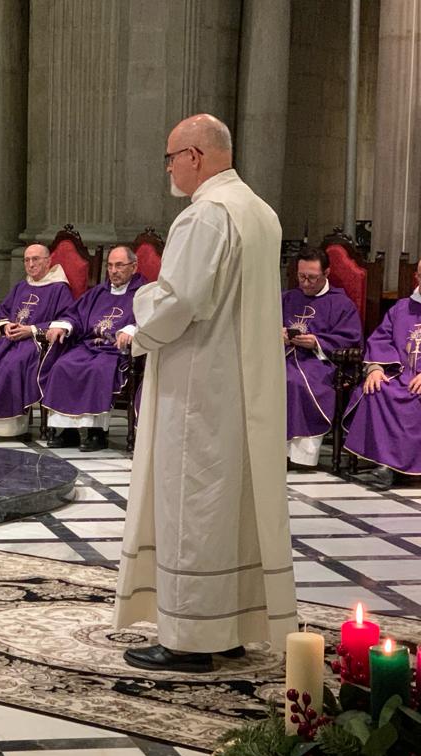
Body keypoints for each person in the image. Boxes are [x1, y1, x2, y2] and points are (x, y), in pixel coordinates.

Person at [113, 113, 297, 673]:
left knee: (192, 506)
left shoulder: (206, 215)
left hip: (198, 389)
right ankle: (230, 626)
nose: (168, 168)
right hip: (243, 389)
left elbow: (178, 301)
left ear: (195, 155)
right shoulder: (259, 212)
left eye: (171, 157)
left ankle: (190, 638)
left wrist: (135, 324)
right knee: (231, 507)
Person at [0, 243, 72, 439]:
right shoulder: (22, 286)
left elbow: (66, 319)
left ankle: (7, 427)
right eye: (26, 260)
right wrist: (5, 326)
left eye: (36, 259)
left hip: (35, 342)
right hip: (9, 339)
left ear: (48, 261)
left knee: (12, 365)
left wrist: (31, 330)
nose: (30, 264)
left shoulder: (59, 289)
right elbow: (3, 312)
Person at [40, 246, 145, 450]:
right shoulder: (98, 292)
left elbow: (149, 318)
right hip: (89, 346)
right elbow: (75, 315)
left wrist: (132, 330)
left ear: (134, 267)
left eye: (120, 266)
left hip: (115, 351)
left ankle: (97, 433)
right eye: (110, 266)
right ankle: (68, 432)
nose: (114, 271)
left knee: (98, 370)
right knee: (63, 365)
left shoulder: (143, 293)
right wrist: (65, 326)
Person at [342, 261, 421, 490]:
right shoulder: (400, 309)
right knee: (376, 389)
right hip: (401, 376)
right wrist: (375, 368)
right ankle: (385, 465)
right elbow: (380, 339)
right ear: (417, 277)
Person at [283, 248, 362, 467]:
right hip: (284, 358)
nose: (306, 283)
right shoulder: (288, 298)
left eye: (312, 277)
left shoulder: (341, 304)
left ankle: (299, 457)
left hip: (320, 364)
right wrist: (277, 335)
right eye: (301, 277)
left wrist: (317, 343)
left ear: (326, 273)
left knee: (293, 381)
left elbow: (352, 340)